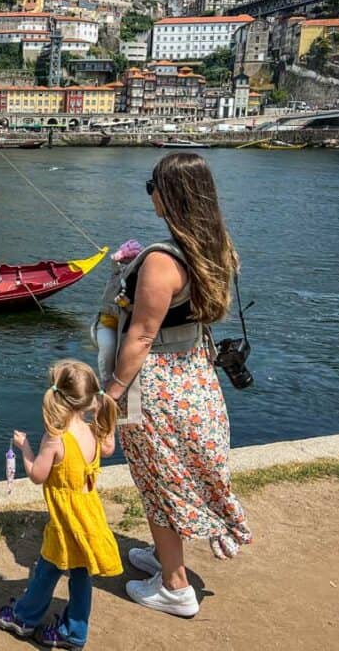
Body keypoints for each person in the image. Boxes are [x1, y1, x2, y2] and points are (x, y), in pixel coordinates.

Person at [107, 152, 252, 618]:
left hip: (157, 382)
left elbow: (142, 335)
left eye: (153, 185)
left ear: (171, 195)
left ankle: (173, 586)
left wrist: (110, 395)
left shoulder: (161, 262)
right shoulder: (218, 247)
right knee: (176, 470)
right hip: (195, 375)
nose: (149, 193)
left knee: (158, 478)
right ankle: (165, 551)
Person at [0, 360, 122, 649]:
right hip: (88, 515)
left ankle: (23, 618)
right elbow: (109, 448)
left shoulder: (55, 438)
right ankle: (74, 631)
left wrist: (25, 447)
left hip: (65, 519)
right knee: (80, 575)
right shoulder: (94, 431)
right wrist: (108, 420)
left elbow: (38, 476)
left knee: (47, 570)